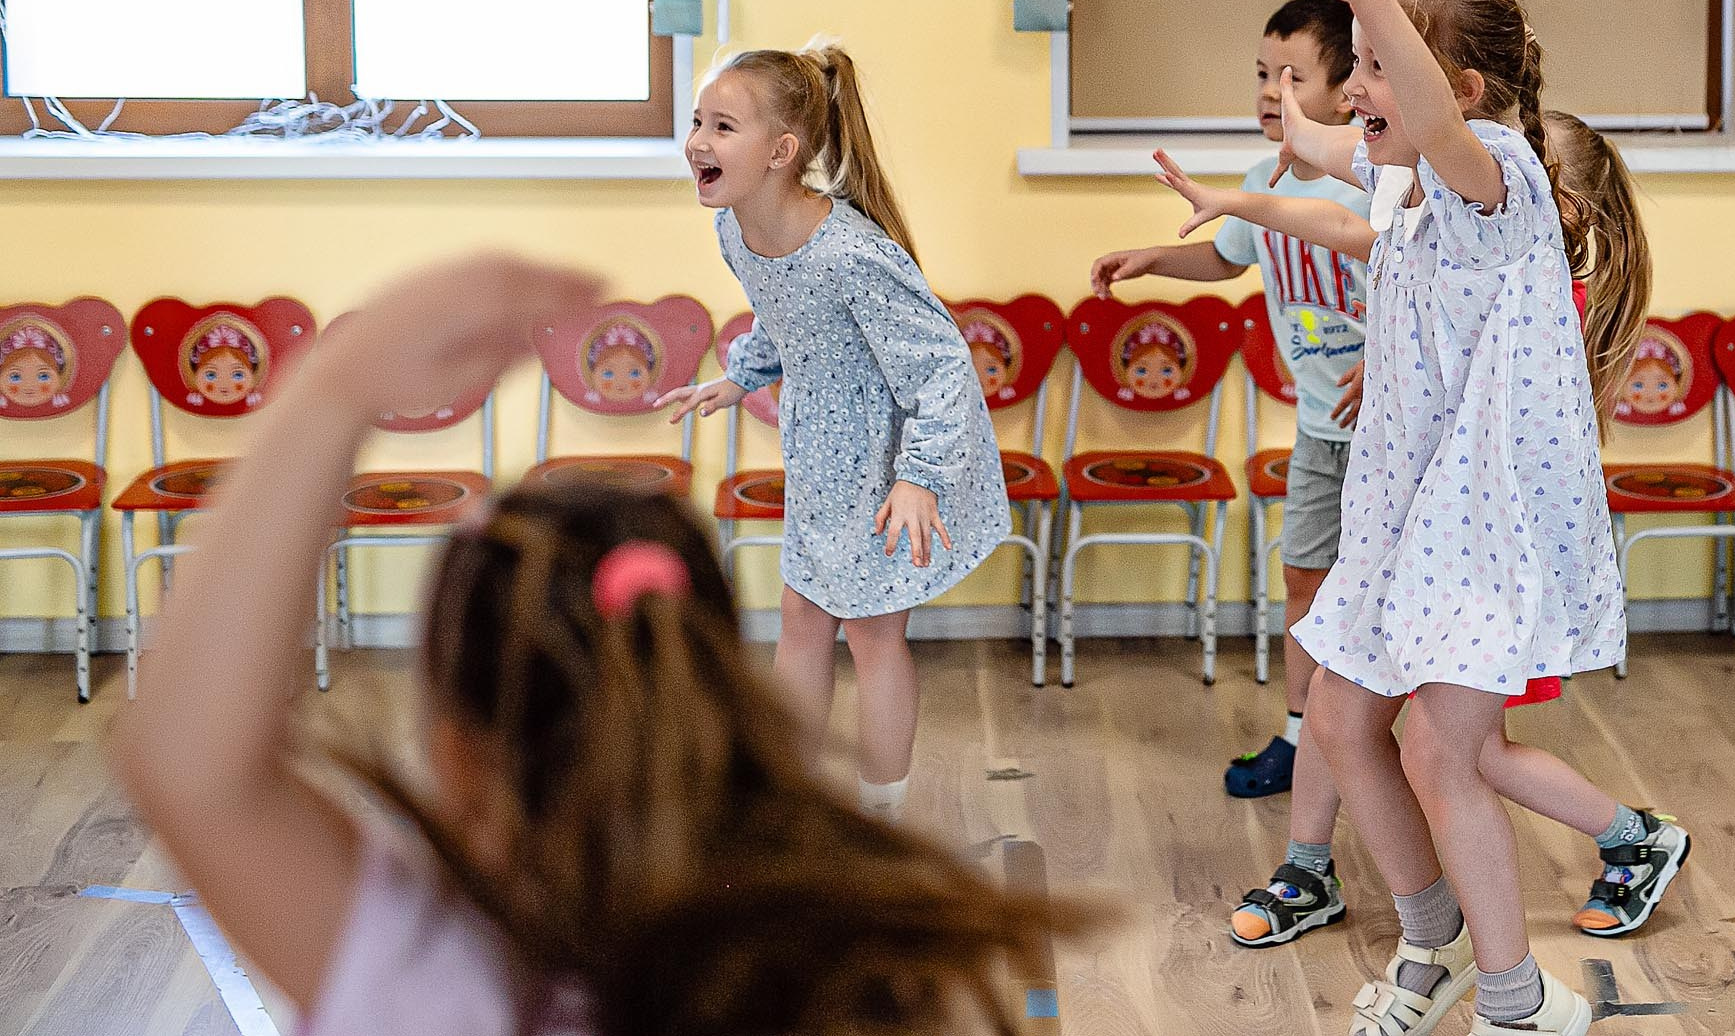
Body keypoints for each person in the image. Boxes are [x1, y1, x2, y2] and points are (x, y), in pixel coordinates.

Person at [112, 255, 1065, 1036]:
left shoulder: (434, 984)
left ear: (454, 741)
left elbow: (188, 763)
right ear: (717, 685)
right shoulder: (860, 980)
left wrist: (335, 390)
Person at [1153, 111, 1686, 962]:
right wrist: (1247, 195)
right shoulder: (1444, 234)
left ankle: (1631, 840)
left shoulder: (1530, 273)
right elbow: (1355, 227)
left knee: (1460, 757)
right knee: (1362, 711)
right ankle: (1333, 878)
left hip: (1478, 558)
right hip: (1417, 541)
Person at [661, 42, 1009, 821]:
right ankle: (790, 804)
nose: (698, 142)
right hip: (820, 451)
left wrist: (919, 478)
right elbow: (786, 321)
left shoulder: (851, 253)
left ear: (782, 153)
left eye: (722, 126)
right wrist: (739, 375)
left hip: (893, 456)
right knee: (802, 614)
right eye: (696, 122)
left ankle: (879, 819)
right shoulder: (735, 229)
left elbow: (944, 368)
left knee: (874, 634)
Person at [1090, 0, 1369, 806]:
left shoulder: (1378, 185)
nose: (1269, 91)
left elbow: (1426, 286)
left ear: (1349, 88)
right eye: (1261, 72)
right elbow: (1227, 256)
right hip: (1322, 428)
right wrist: (1151, 258)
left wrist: (1388, 357)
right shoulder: (1258, 180)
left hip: (1397, 432)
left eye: (1293, 74)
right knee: (1306, 581)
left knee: (1390, 592)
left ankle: (1389, 748)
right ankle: (1300, 738)